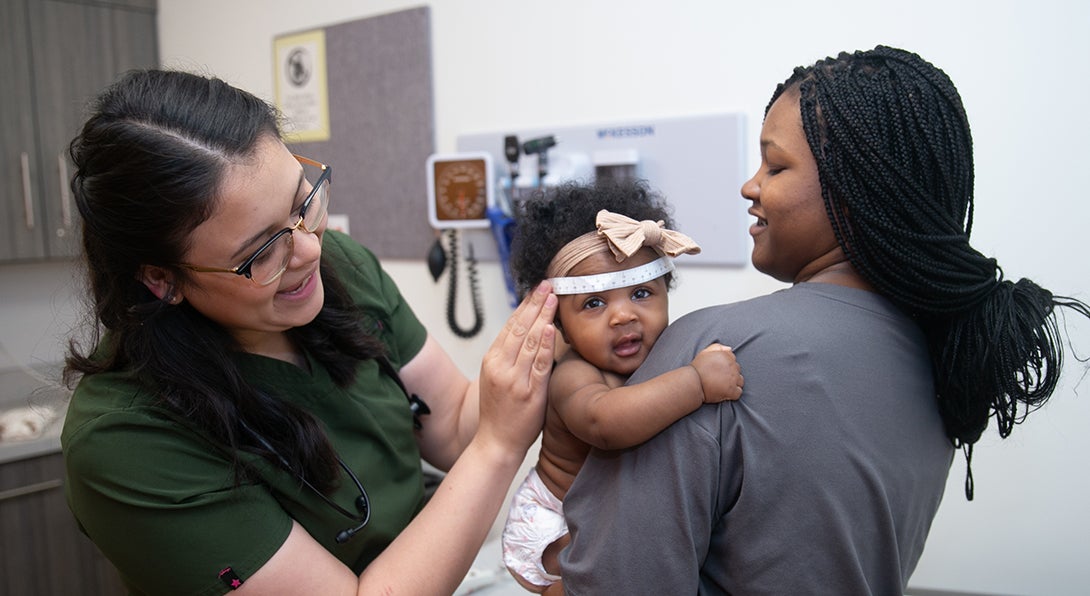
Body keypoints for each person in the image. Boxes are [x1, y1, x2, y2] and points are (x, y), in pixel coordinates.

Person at [558, 45, 1090, 594]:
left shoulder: (711, 356)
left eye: (776, 165)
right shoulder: (945, 362)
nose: (751, 186)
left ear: (855, 185)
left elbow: (614, 581)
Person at [59, 69, 558, 596]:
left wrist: (559, 321)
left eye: (302, 203)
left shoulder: (337, 269)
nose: (310, 250)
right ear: (162, 279)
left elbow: (457, 427)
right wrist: (499, 447)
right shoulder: (125, 442)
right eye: (260, 252)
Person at [500, 180, 744, 593]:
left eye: (641, 293)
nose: (622, 316)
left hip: (599, 516)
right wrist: (697, 381)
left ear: (667, 292)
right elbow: (606, 422)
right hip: (554, 524)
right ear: (561, 325)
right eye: (594, 304)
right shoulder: (574, 374)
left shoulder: (661, 352)